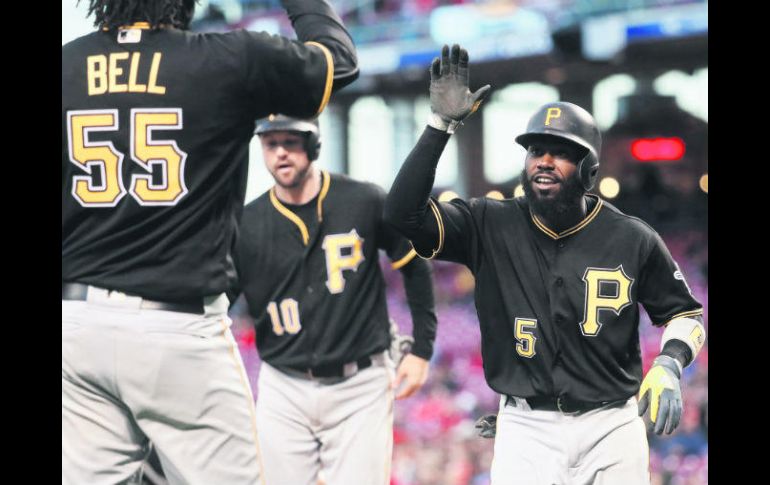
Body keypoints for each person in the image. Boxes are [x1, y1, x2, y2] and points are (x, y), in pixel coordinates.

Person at [61, 1, 358, 483]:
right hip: (174, 329)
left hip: (74, 324)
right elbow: (337, 61)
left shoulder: (66, 63)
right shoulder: (227, 57)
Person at [383, 44, 706, 485]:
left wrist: (669, 363)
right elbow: (402, 216)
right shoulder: (487, 222)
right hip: (524, 428)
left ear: (589, 169)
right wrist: (439, 127)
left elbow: (686, 314)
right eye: (536, 149)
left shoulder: (631, 236)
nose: (544, 161)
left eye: (561, 151)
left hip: (611, 424)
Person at [230, 114, 438, 485]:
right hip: (283, 385)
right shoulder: (247, 223)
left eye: (290, 142)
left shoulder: (363, 199)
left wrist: (422, 348)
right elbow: (216, 304)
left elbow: (414, 266)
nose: (280, 154)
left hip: (360, 383)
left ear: (314, 144)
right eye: (270, 144)